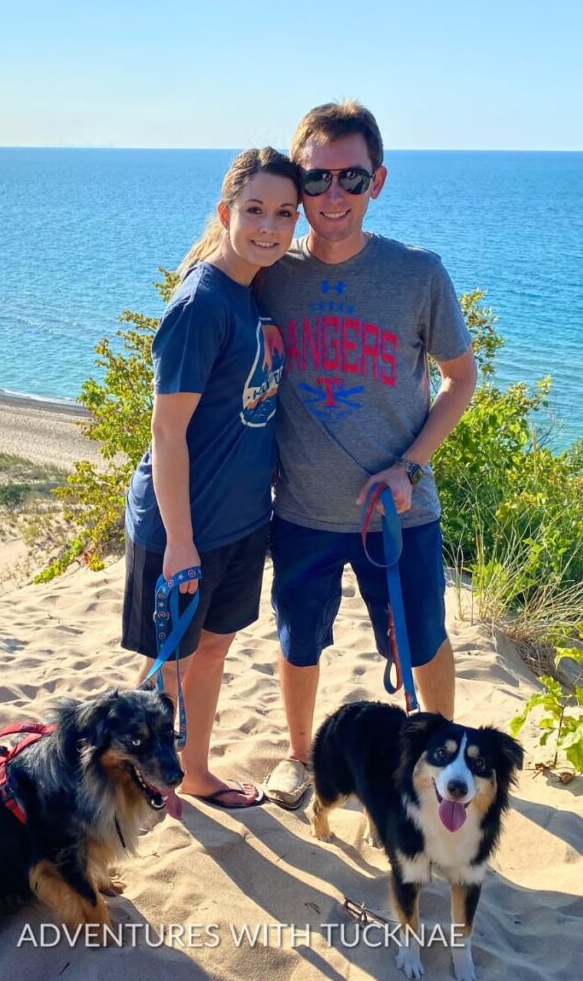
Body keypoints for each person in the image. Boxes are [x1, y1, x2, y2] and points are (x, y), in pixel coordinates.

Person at [260, 101, 477, 810]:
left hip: (400, 511)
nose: (331, 196)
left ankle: (441, 755)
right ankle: (299, 758)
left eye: (349, 178)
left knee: (418, 643)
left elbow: (460, 377)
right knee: (299, 642)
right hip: (301, 510)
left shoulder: (417, 275)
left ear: (376, 182)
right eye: (315, 178)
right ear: (297, 181)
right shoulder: (271, 274)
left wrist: (407, 467)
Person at [122, 147, 300, 809]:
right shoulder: (201, 302)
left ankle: (192, 773)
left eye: (284, 213)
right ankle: (133, 790)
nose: (269, 226)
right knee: (164, 669)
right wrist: (179, 541)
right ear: (226, 213)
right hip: (185, 526)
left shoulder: (253, 290)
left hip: (242, 520)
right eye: (253, 210)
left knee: (212, 653)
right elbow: (166, 433)